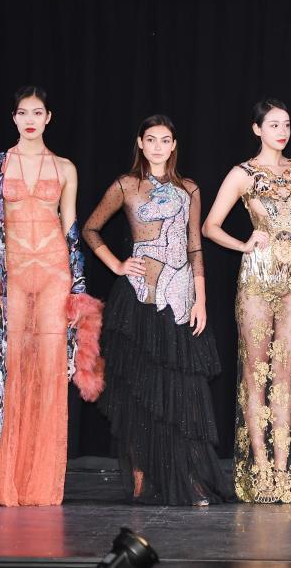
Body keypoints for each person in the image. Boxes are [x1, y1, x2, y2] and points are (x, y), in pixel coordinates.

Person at [0, 86, 103, 507]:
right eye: (23, 112)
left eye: (38, 112)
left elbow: (70, 229)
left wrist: (77, 291)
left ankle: (42, 483)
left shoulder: (65, 168)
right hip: (9, 274)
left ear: (49, 118)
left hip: (53, 272)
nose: (31, 119)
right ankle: (5, 481)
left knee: (48, 368)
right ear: (14, 117)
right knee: (9, 368)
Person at [82, 114, 230, 505]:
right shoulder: (126, 185)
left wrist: (201, 299)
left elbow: (195, 245)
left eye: (165, 140)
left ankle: (188, 476)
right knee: (139, 389)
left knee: (181, 390)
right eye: (151, 139)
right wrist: (116, 264)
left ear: (174, 145)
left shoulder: (189, 188)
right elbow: (90, 228)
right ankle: (141, 474)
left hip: (180, 296)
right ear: (140, 143)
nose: (158, 147)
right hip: (138, 298)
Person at [202, 99, 291, 503]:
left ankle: (284, 470)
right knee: (256, 374)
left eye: (286, 124)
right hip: (257, 279)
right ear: (257, 129)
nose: (282, 132)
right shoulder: (243, 174)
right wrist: (243, 244)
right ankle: (261, 470)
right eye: (273, 125)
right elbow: (210, 226)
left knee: (285, 374)